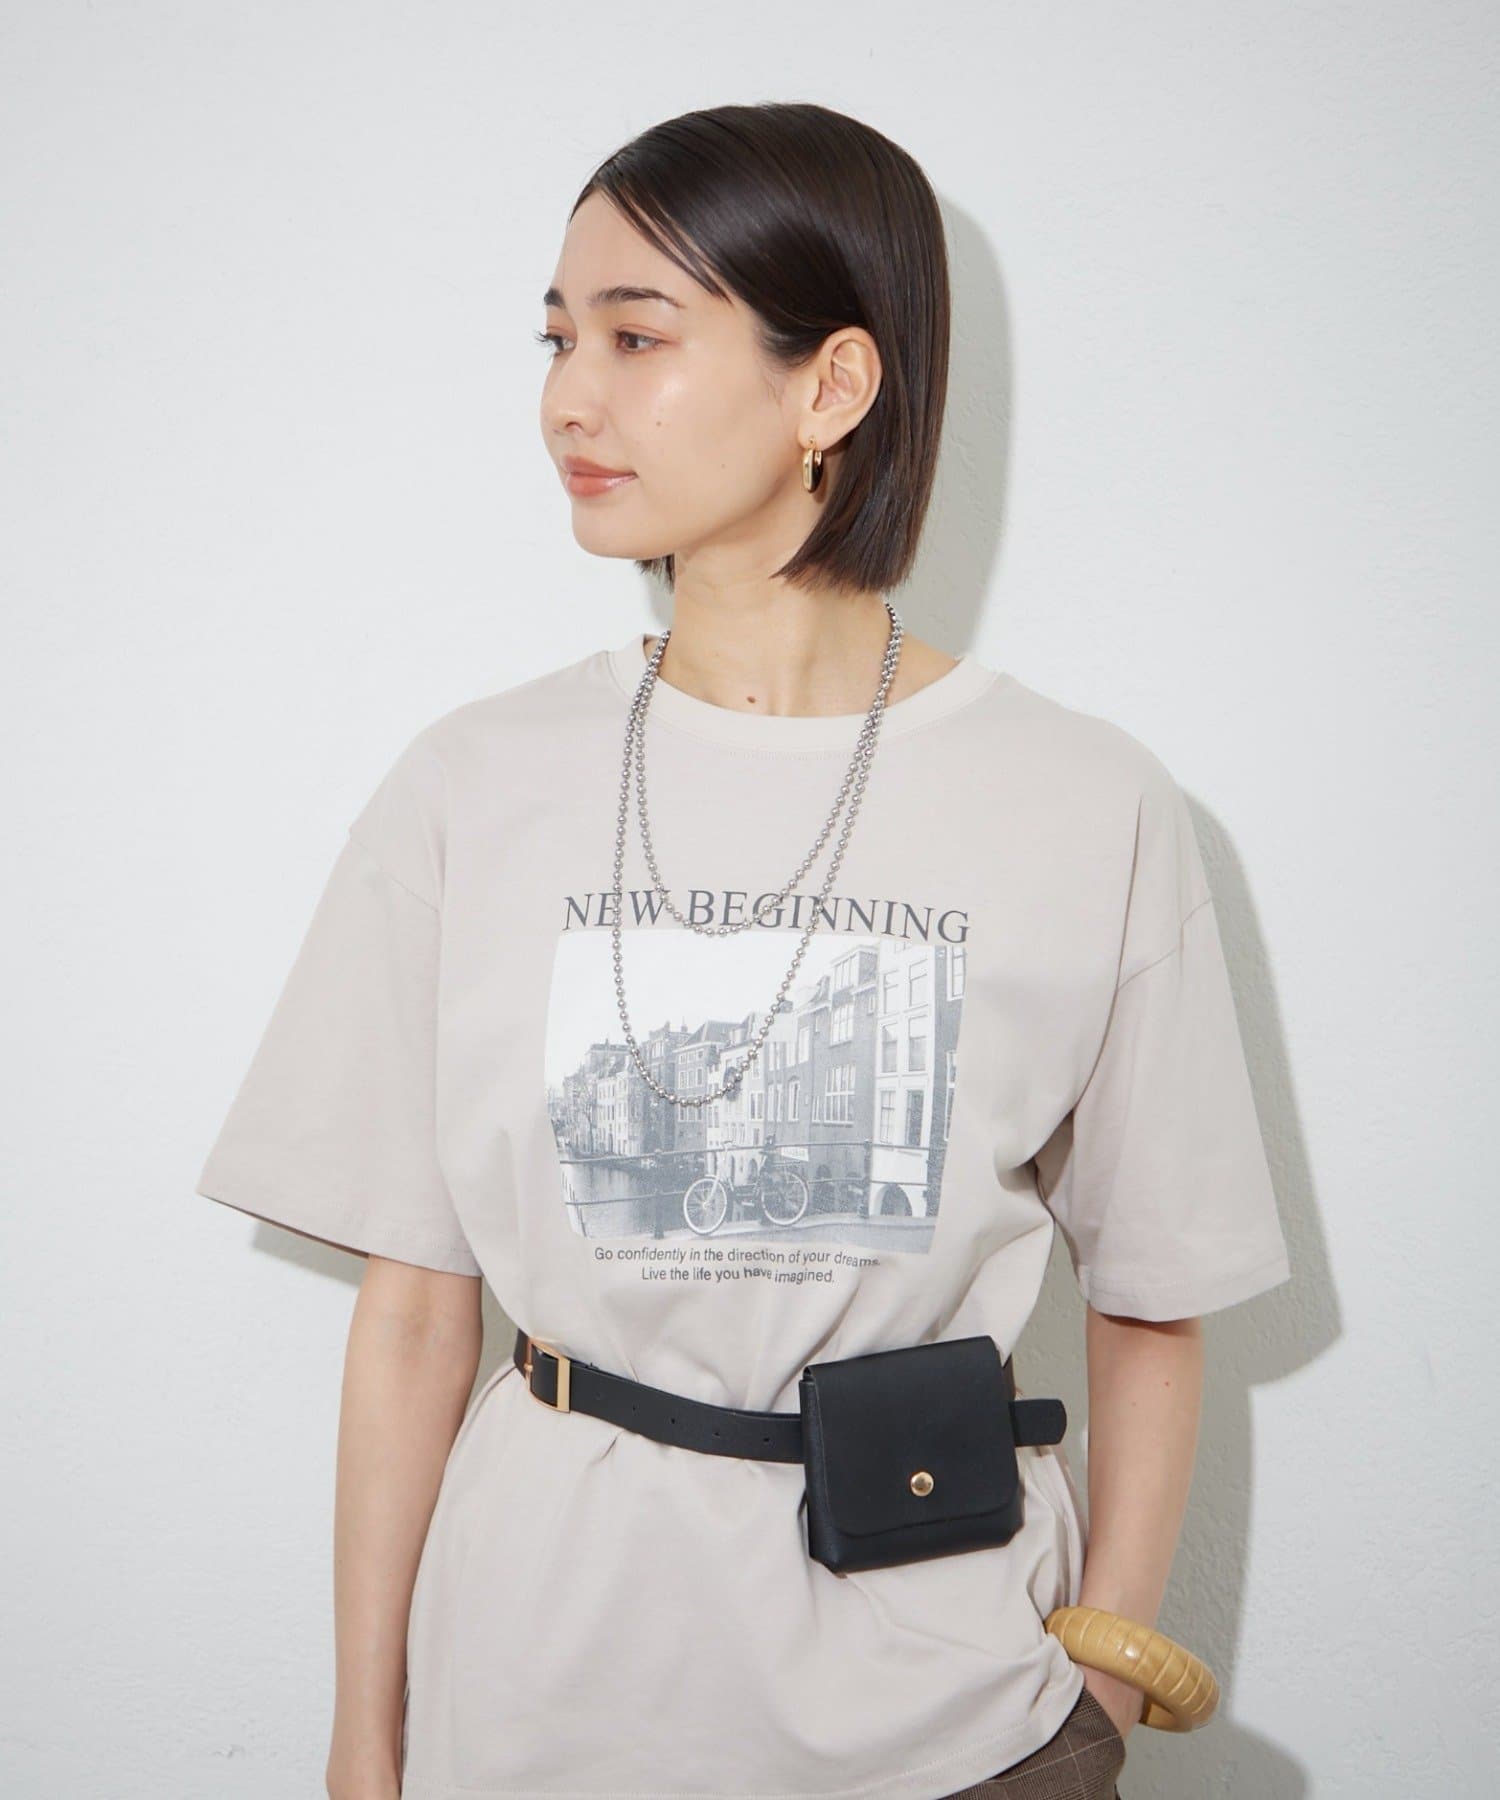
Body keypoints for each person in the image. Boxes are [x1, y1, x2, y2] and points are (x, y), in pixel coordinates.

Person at [195, 102, 1292, 1800]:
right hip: (539, 1698)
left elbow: (1153, 1291)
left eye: (637, 337)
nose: (569, 398)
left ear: (832, 386)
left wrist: (1103, 1695)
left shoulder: (1087, 801)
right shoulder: (474, 786)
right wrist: (366, 1740)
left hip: (954, 1718)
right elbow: (415, 1313)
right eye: (558, 338)